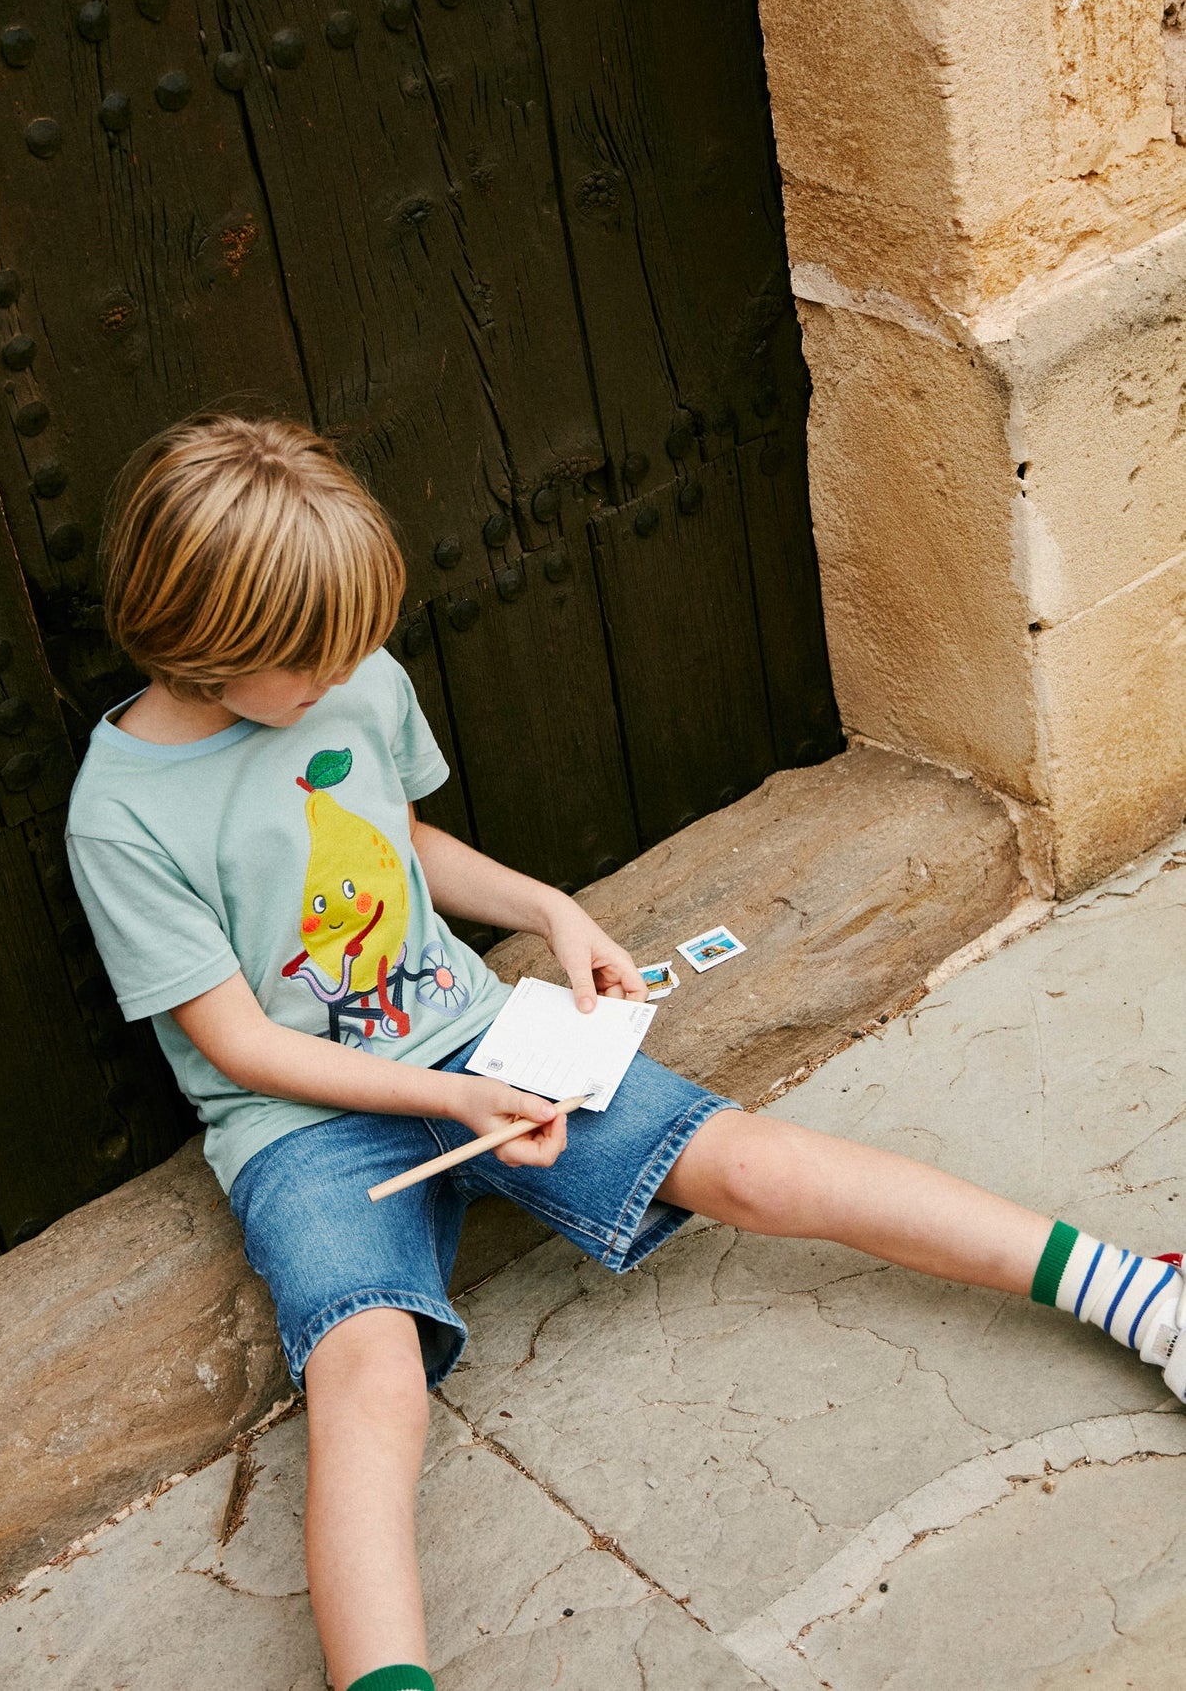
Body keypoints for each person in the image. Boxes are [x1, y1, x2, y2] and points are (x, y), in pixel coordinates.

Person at [66, 412, 1185, 1691]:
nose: (343, 672)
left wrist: (548, 907)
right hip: (303, 1125)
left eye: (349, 642)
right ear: (203, 643)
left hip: (476, 1033)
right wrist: (452, 1091)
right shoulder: (119, 815)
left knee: (750, 1166)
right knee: (367, 1382)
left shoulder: (353, 674)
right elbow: (242, 1044)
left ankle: (1139, 1288)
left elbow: (399, 842)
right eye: (306, 661)